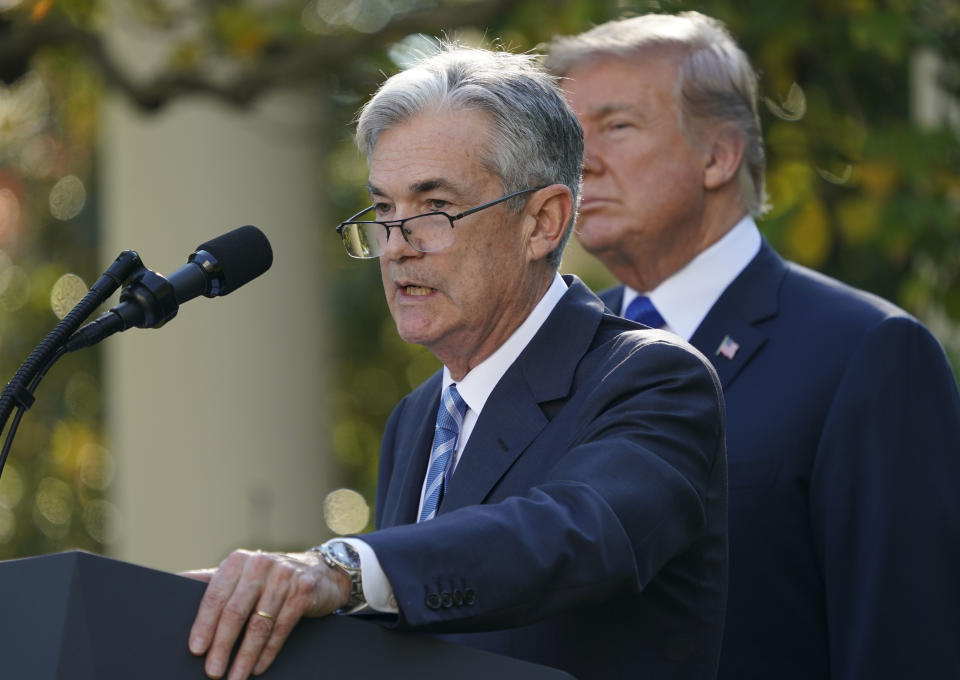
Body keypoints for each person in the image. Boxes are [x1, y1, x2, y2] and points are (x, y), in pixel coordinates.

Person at [184, 45, 728, 680]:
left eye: (433, 208)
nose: (396, 247)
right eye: (384, 211)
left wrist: (342, 568)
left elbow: (576, 536)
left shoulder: (652, 378)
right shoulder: (416, 419)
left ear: (543, 223)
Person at [548, 12, 960, 680]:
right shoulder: (559, 356)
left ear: (719, 154)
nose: (579, 161)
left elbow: (903, 638)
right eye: (568, 135)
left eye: (616, 127)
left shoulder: (869, 352)